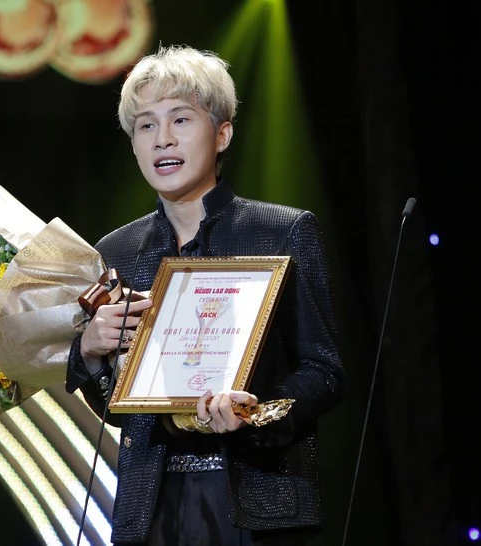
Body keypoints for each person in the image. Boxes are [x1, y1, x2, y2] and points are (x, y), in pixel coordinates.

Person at [65, 45, 345, 546]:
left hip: (257, 498)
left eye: (180, 119)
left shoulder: (282, 231)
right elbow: (115, 404)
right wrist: (90, 352)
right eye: (146, 125)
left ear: (222, 134)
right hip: (152, 507)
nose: (163, 139)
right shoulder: (117, 251)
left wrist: (257, 411)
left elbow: (324, 371)